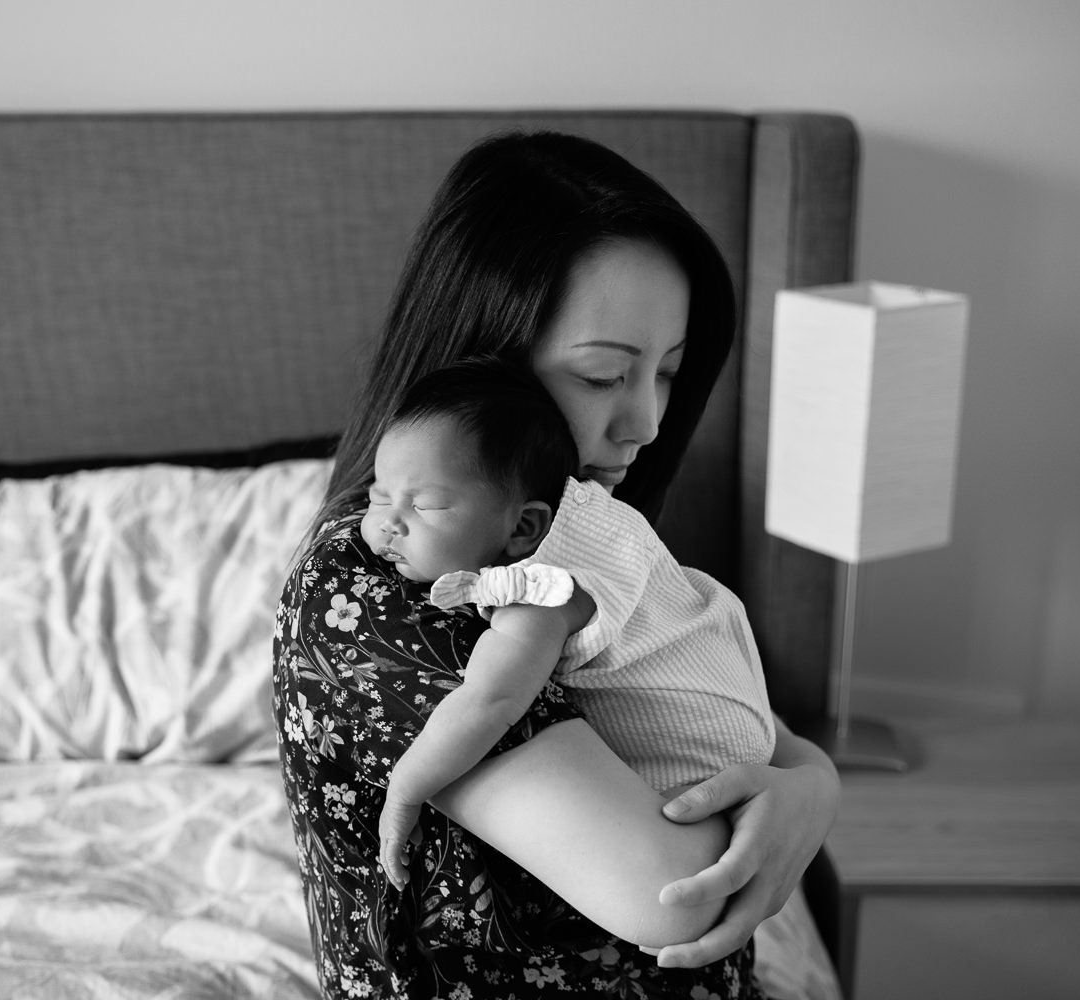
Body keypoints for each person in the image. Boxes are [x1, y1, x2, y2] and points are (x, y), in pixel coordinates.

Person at [274, 129, 840, 1000]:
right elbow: (671, 892)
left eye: (669, 373)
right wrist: (789, 793)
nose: (647, 423)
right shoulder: (383, 589)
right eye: (605, 374)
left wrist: (813, 784)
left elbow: (707, 707)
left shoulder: (568, 536)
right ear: (486, 360)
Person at [365, 358, 776, 894]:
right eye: (377, 495)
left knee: (668, 890)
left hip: (695, 754)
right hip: (735, 702)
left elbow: (488, 700)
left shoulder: (543, 590)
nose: (388, 522)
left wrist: (405, 788)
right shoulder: (592, 513)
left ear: (523, 527)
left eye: (425, 505)